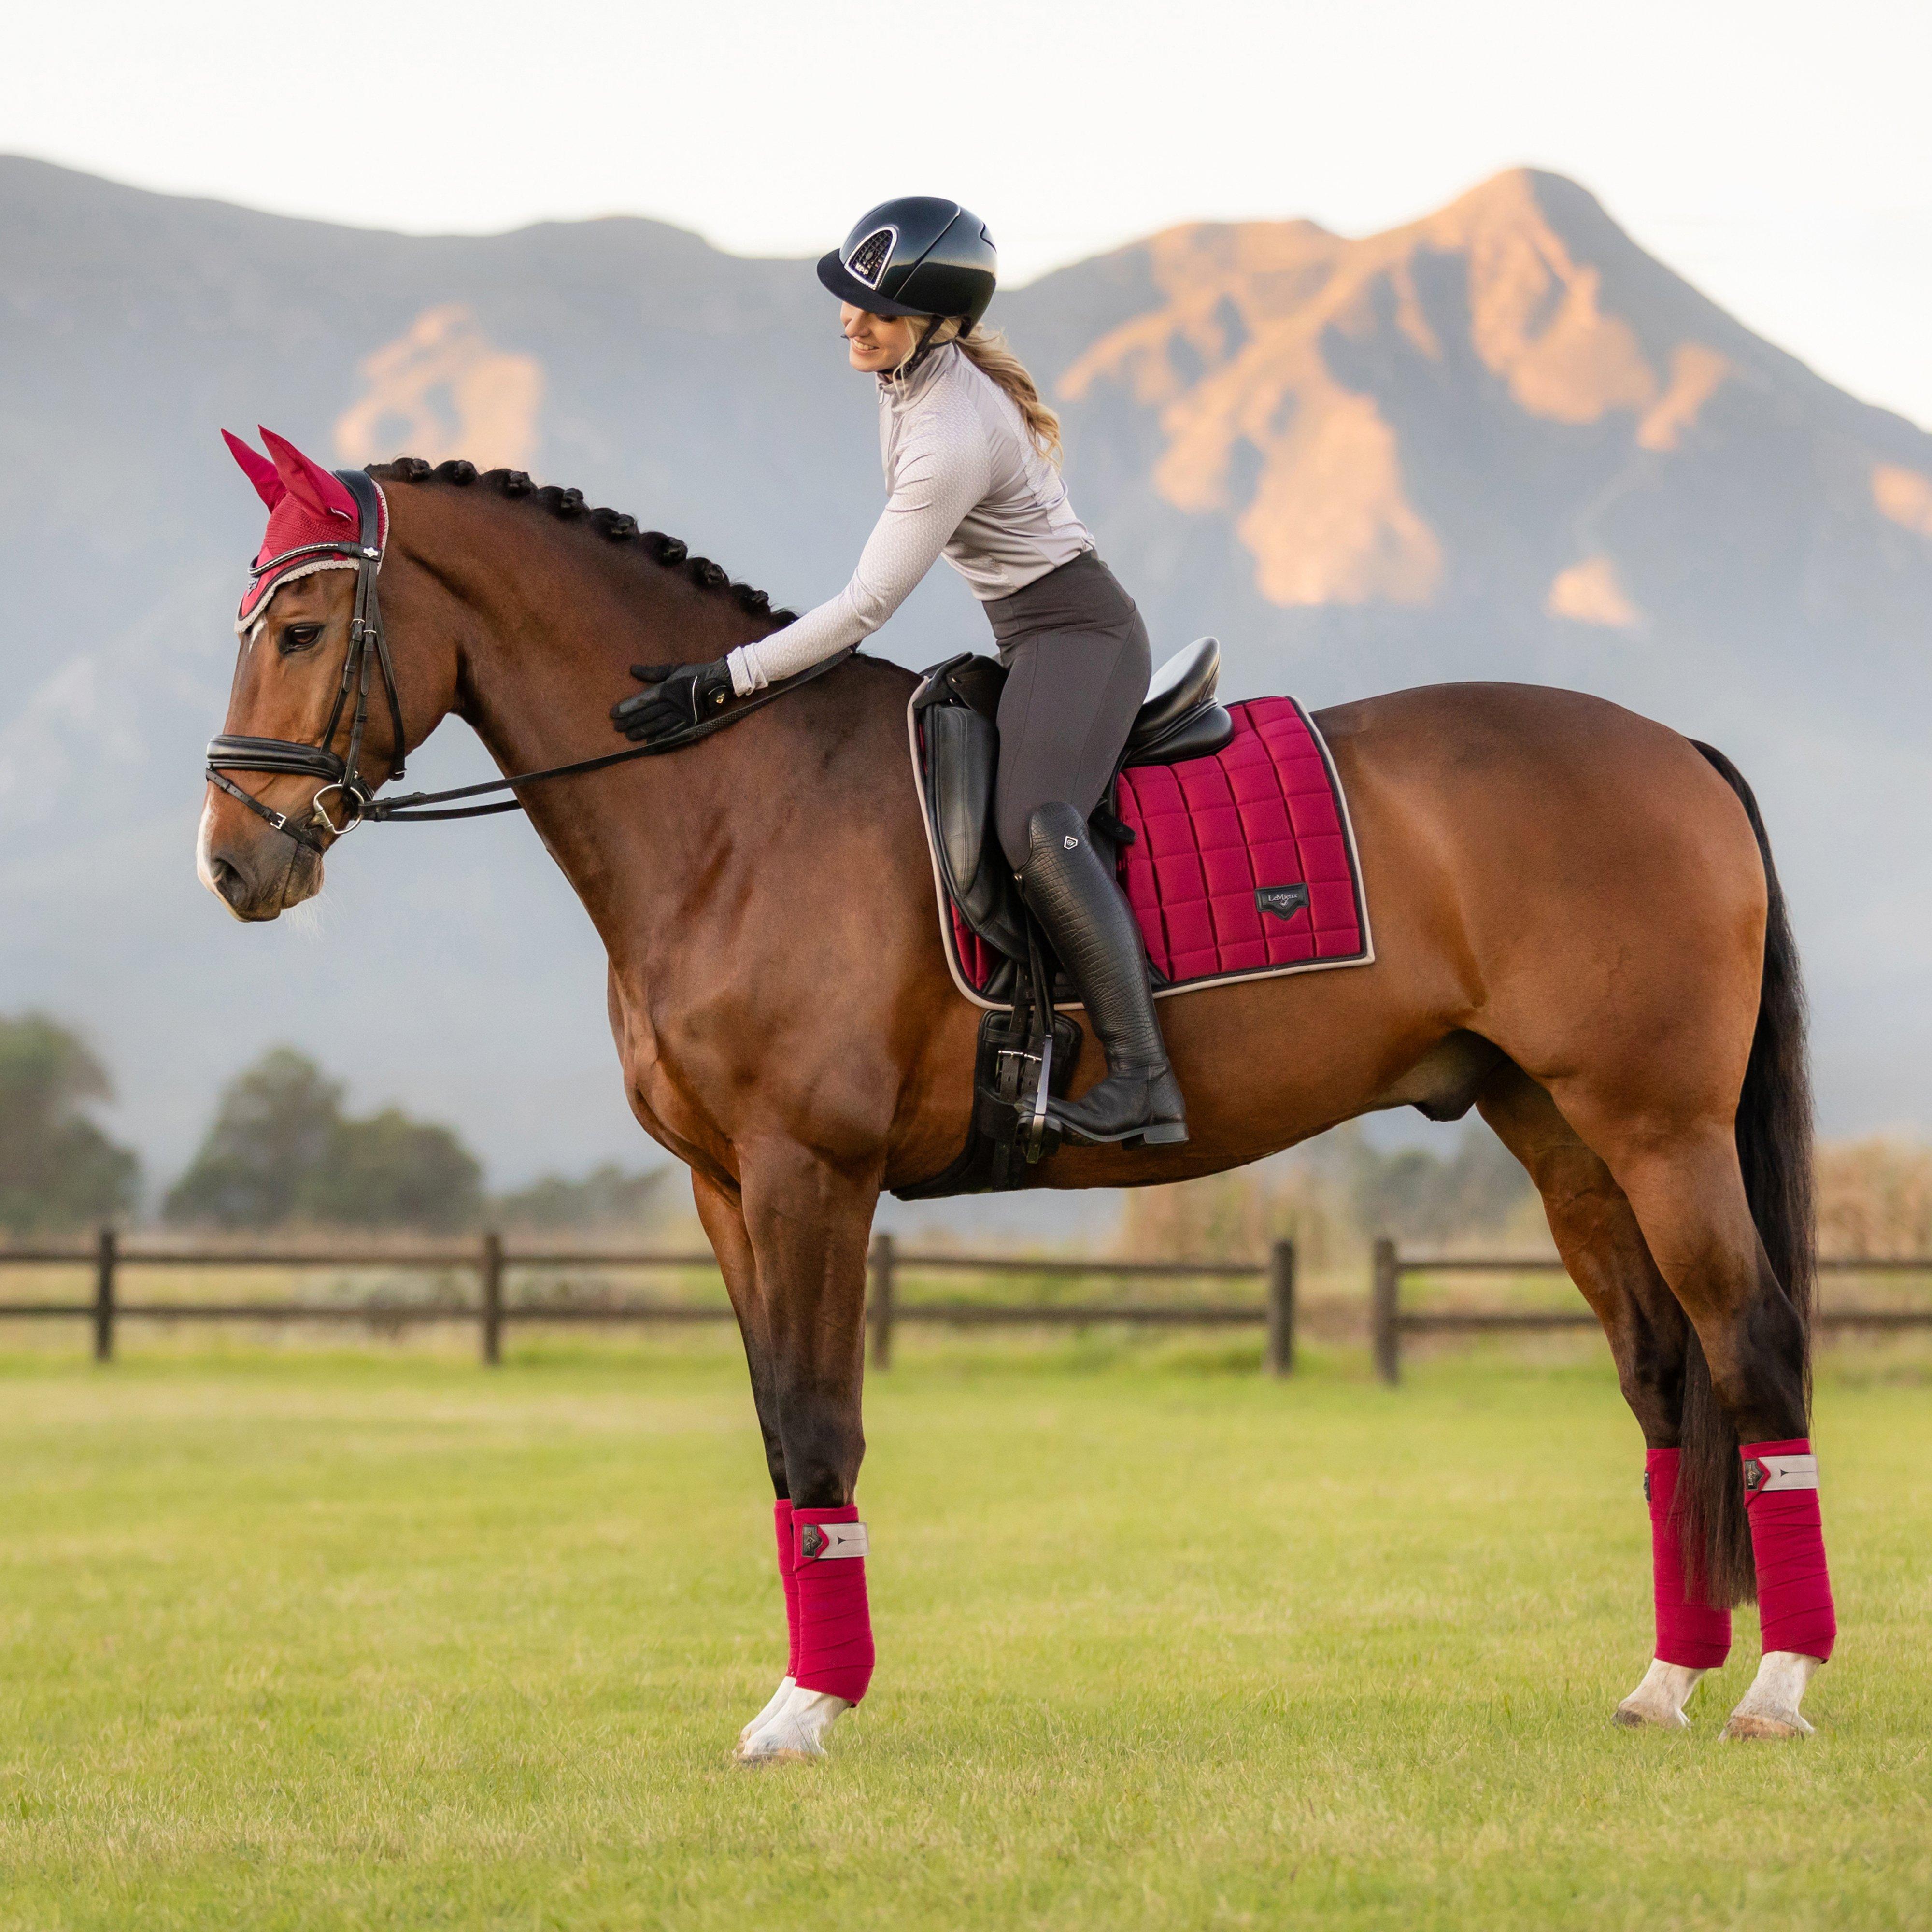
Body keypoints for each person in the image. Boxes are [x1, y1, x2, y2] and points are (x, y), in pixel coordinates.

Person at [613, 197, 1185, 1149]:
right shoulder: (914, 383)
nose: (851, 319)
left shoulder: (948, 432)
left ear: (937, 327)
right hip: (1030, 634)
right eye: (847, 299)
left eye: (875, 309)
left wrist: (724, 678)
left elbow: (863, 609)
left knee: (1036, 830)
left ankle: (1142, 1076)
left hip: (1078, 637)